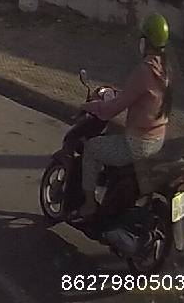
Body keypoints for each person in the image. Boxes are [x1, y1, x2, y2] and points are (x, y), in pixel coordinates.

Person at [74, 13, 172, 220]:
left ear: (145, 41)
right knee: (111, 140)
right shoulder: (165, 68)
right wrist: (118, 95)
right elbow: (139, 96)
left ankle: (89, 204)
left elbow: (112, 110)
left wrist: (88, 106)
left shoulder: (144, 71)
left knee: (91, 148)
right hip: (158, 140)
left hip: (138, 143)